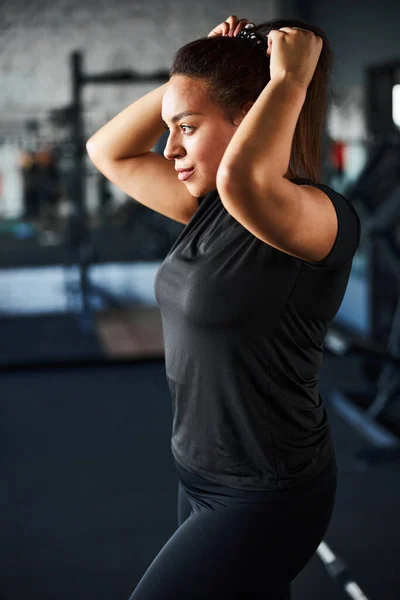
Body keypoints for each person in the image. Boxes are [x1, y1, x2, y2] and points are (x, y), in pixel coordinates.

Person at [87, 15, 361, 600]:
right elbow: (106, 151)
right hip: (199, 474)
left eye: (186, 127)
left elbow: (245, 178)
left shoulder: (318, 216)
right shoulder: (212, 207)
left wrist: (288, 81)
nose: (171, 148)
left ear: (248, 118)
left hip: (267, 491)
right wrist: (198, 72)